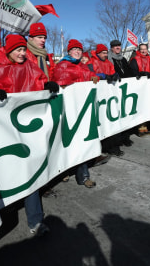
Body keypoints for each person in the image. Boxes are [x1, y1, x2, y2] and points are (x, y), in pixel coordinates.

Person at [0, 34, 58, 237]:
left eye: (23, 49)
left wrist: (47, 86)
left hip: (28, 127)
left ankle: (35, 220)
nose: (22, 53)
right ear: (8, 51)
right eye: (17, 50)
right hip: (5, 129)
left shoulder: (32, 67)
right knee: (5, 171)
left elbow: (41, 82)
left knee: (29, 170)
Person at [52, 39, 99, 188]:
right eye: (75, 49)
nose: (78, 52)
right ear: (69, 51)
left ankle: (84, 176)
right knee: (66, 142)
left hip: (82, 110)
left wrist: (95, 77)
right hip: (68, 110)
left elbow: (92, 75)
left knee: (81, 142)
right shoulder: (62, 65)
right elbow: (60, 85)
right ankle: (63, 171)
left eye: (80, 49)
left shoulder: (84, 67)